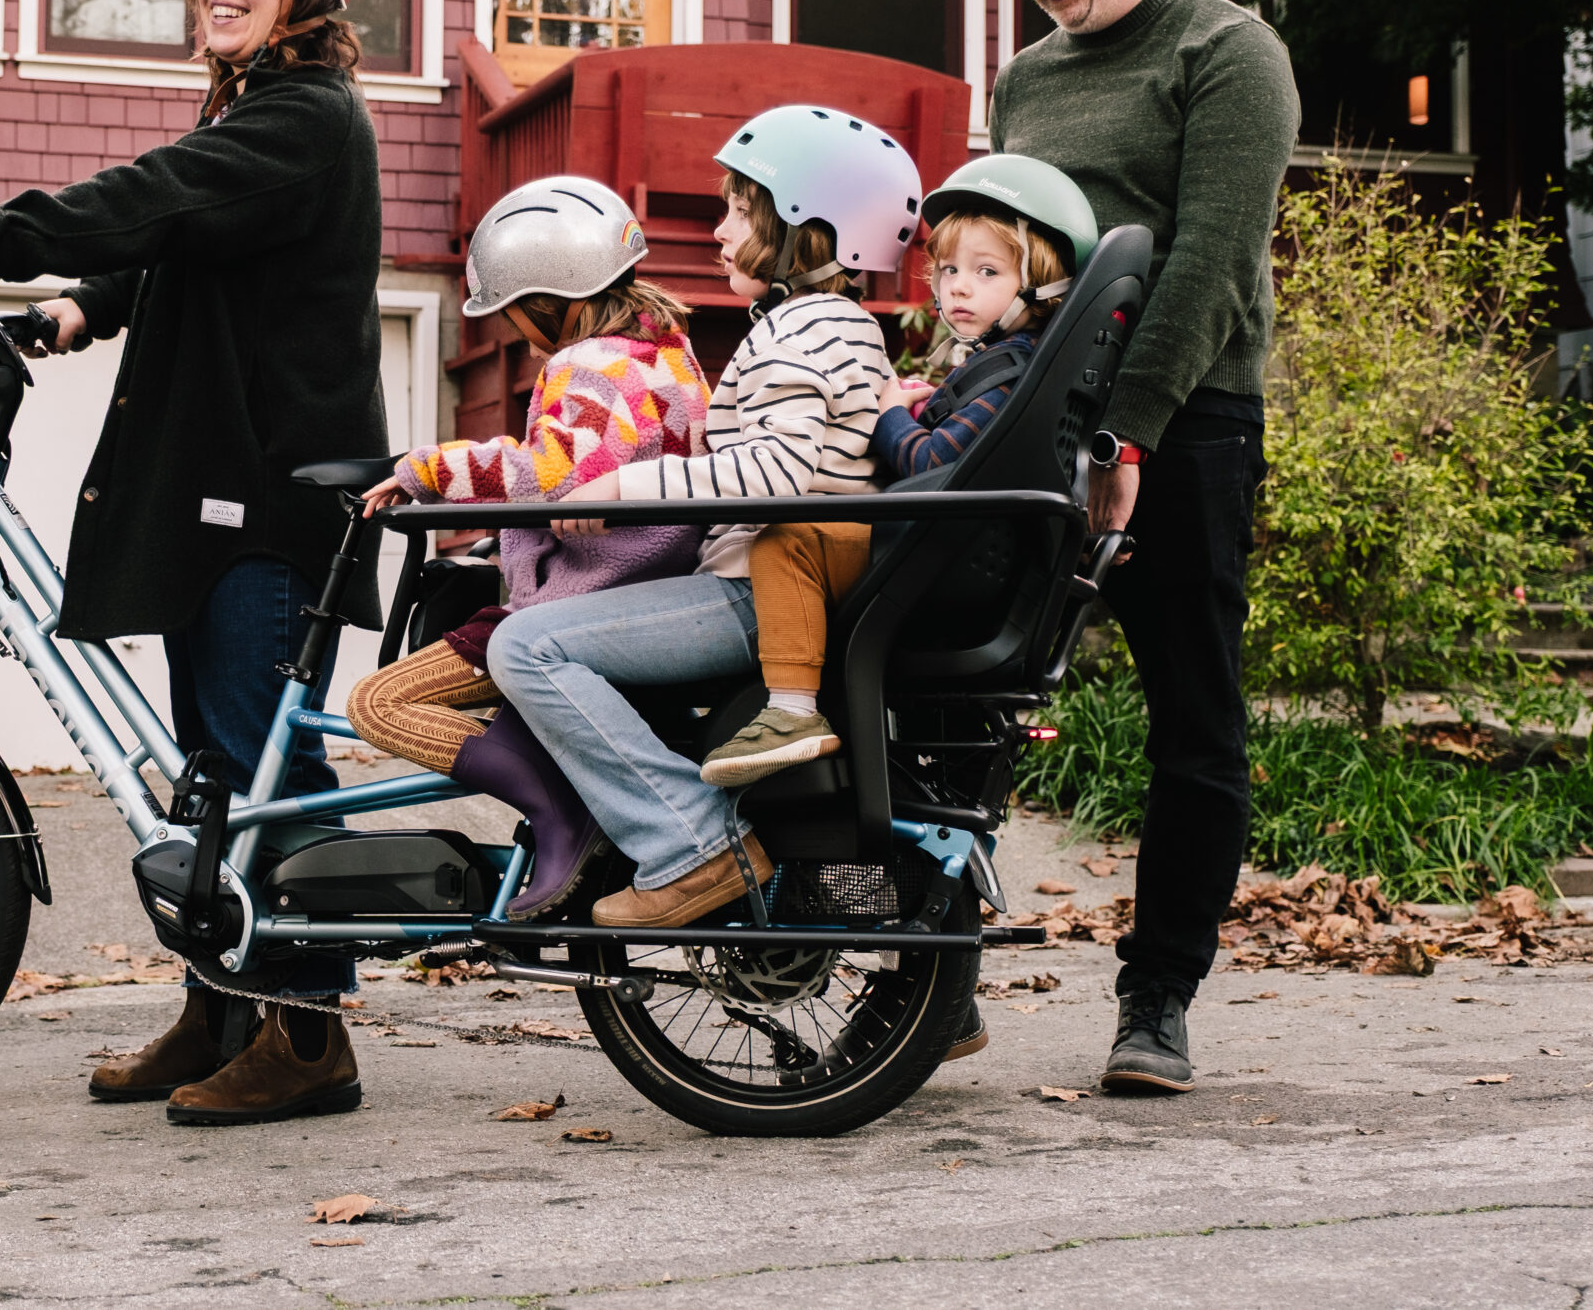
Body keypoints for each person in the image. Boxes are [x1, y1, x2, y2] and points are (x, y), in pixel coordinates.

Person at [0, 0, 386, 1127]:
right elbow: (191, 246)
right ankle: (220, 1008)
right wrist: (83, 309)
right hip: (214, 482)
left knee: (258, 764)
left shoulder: (306, 116)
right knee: (209, 769)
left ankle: (309, 1033)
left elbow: (160, 199)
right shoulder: (262, 113)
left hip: (268, 498)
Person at [973, 0, 1300, 1094]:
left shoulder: (1229, 52)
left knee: (1192, 718)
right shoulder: (1028, 77)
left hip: (1188, 423)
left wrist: (1129, 437)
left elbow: (1214, 268)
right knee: (954, 697)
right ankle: (929, 971)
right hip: (1029, 419)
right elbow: (1007, 262)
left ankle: (1155, 1001)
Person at [480, 105, 912, 931]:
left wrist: (616, 492)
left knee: (526, 645)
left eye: (739, 210)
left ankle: (689, 844)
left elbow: (777, 474)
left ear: (805, 230)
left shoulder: (797, 332)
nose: (717, 231)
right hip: (782, 586)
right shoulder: (842, 327)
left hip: (760, 591)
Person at [347, 176, 711, 921]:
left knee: (379, 702)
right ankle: (562, 789)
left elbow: (551, 472)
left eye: (515, 313)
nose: (516, 329)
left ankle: (560, 812)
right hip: (639, 586)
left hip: (577, 600)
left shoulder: (587, 363)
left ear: (553, 299)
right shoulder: (670, 356)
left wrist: (424, 471)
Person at [699, 154, 1098, 790]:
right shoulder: (1014, 366)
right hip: (953, 555)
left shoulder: (1012, 373)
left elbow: (932, 463)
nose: (957, 288)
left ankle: (791, 711)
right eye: (948, 272)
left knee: (789, 539)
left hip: (941, 558)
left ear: (1044, 286)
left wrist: (888, 417)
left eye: (986, 272)